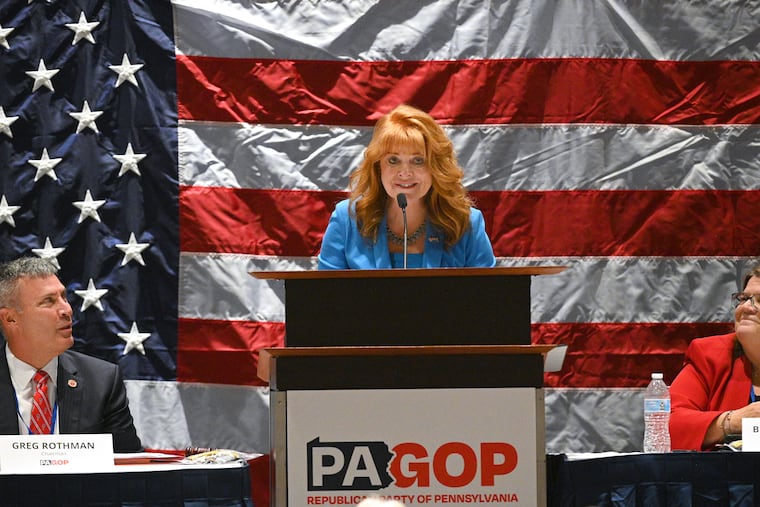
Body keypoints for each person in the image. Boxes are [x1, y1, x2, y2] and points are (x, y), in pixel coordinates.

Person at [317, 104, 496, 269]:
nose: (405, 173)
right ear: (378, 166)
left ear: (436, 167)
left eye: (418, 161)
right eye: (393, 160)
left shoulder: (465, 223)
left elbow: (489, 298)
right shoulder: (347, 220)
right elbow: (323, 298)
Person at [0, 257, 142, 452]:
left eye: (64, 297)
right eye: (48, 301)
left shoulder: (102, 381)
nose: (67, 310)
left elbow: (128, 468)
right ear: (10, 319)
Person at [670, 262, 760, 450]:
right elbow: (667, 424)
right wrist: (732, 422)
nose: (746, 307)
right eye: (743, 299)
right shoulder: (711, 355)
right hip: (729, 477)